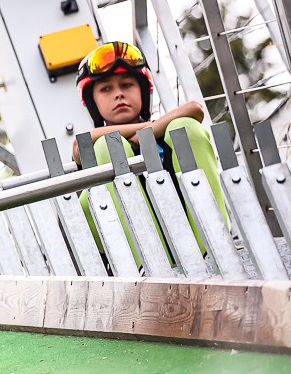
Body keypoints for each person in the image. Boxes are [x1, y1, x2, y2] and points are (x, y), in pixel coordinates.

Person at [72, 41, 227, 261]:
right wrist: (146, 131)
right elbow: (81, 143)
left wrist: (146, 133)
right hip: (129, 259)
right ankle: (146, 264)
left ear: (143, 91)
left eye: (127, 85)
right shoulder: (96, 147)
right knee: (108, 146)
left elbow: (194, 109)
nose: (118, 94)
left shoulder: (169, 133)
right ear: (92, 101)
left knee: (185, 127)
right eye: (106, 89)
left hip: (191, 234)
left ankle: (217, 248)